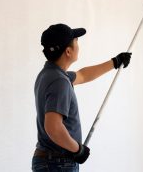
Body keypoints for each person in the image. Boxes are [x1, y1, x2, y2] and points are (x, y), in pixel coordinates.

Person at [32, 23, 132, 172]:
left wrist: (115, 62)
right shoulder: (59, 81)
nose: (78, 45)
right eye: (76, 41)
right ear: (68, 51)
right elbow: (53, 127)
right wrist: (77, 149)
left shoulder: (49, 74)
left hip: (51, 161)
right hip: (58, 163)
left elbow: (83, 75)